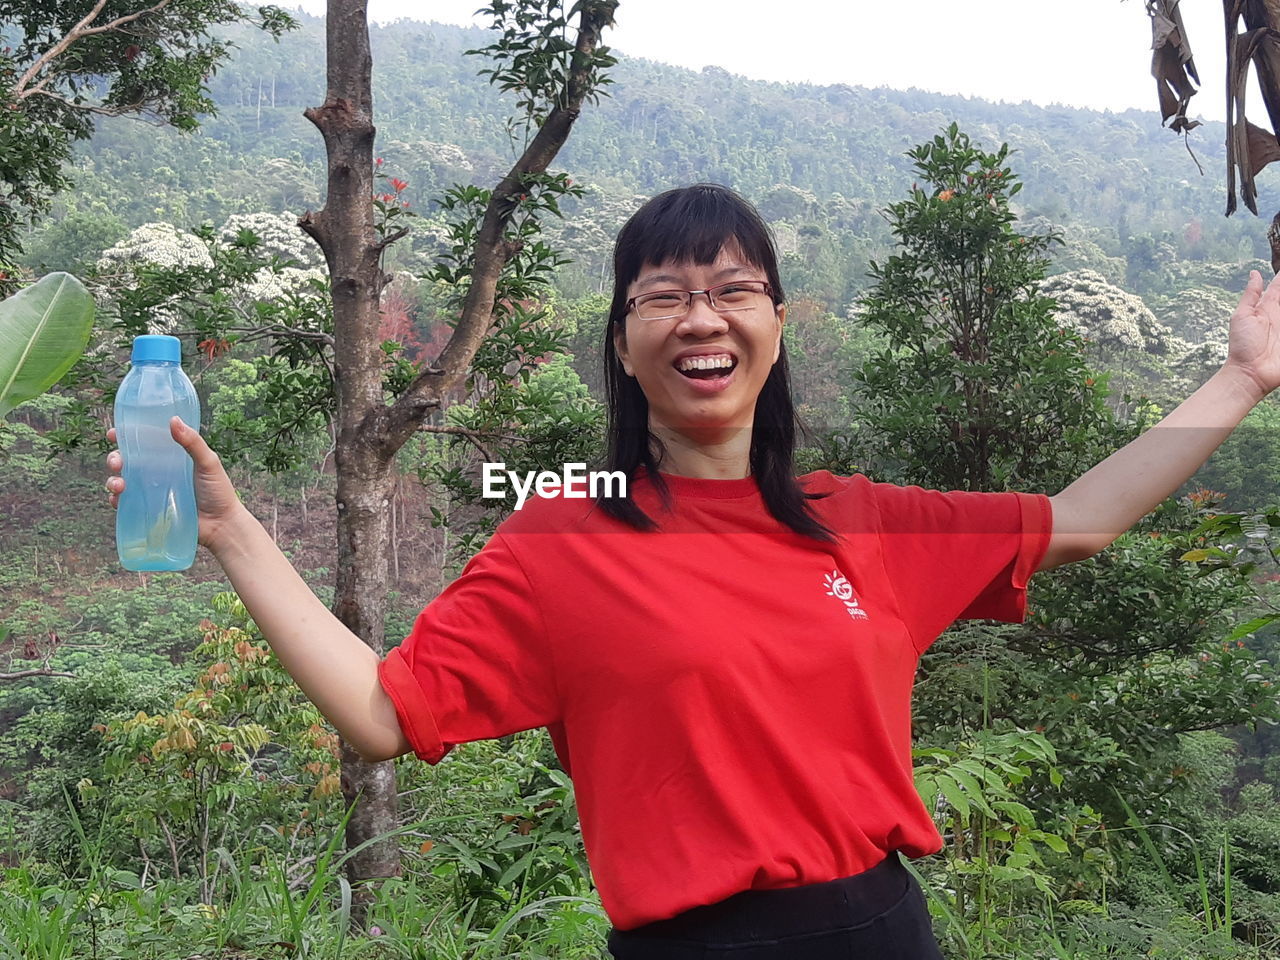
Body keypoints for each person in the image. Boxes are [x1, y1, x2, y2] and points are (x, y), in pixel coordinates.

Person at [105, 183, 1280, 958]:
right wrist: (231, 531)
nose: (698, 315)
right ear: (621, 343)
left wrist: (1242, 380)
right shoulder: (561, 534)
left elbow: (1073, 521)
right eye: (661, 294)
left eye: (729, 288)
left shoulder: (860, 521)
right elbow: (380, 710)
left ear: (774, 324)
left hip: (876, 927)